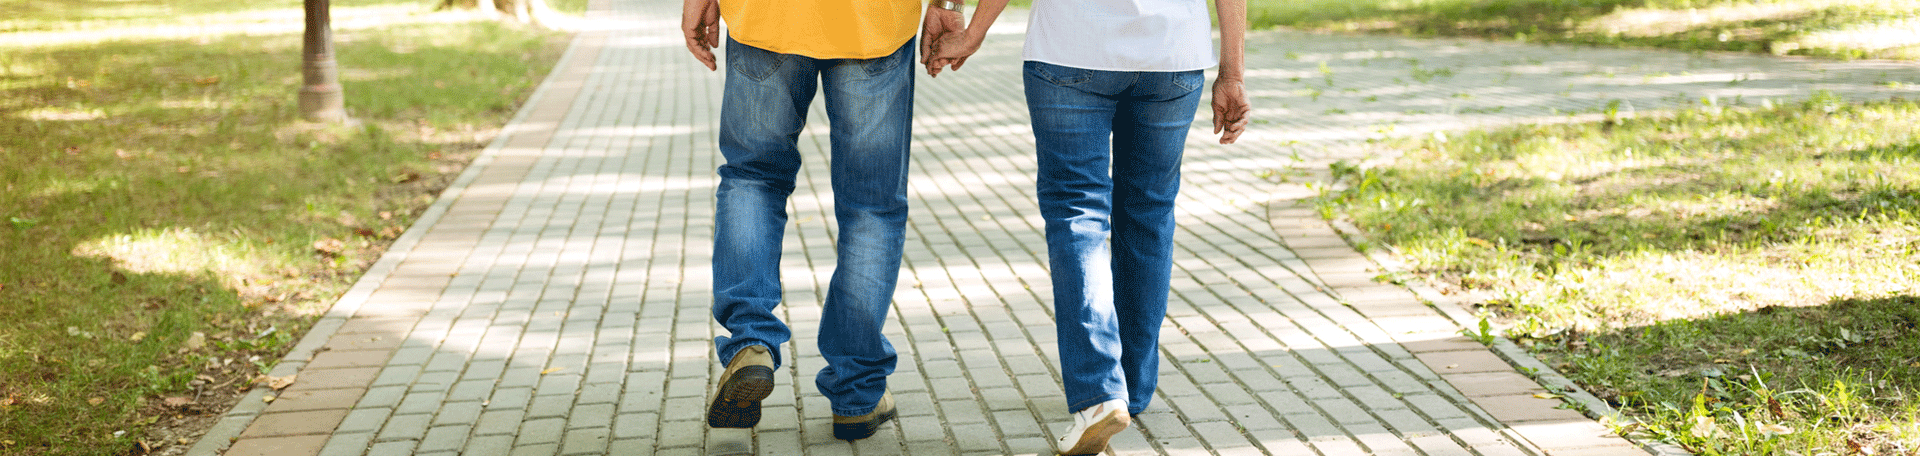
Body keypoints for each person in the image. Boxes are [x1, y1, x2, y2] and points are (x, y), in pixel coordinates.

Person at [923, 0, 1251, 454]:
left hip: (1071, 48)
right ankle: (1130, 389)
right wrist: (1232, 73)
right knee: (1149, 216)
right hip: (1172, 54)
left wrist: (973, 31)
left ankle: (1100, 394)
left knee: (1078, 214)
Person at [680, 0, 966, 441]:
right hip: (875, 20)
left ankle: (750, 342)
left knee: (753, 178)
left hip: (767, 16)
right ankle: (857, 388)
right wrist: (948, 4)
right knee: (871, 205)